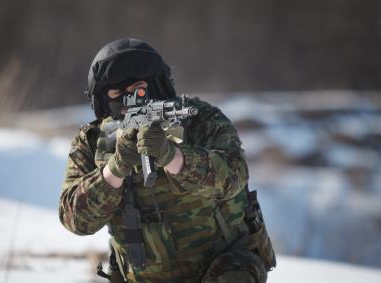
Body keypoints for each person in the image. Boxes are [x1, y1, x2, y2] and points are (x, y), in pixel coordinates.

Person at [59, 38, 276, 283]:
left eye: (138, 90)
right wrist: (115, 170)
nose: (130, 100)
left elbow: (234, 177)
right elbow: (75, 221)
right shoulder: (91, 141)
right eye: (117, 94)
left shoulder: (201, 120)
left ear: (156, 85)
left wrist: (172, 156)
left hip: (222, 267)